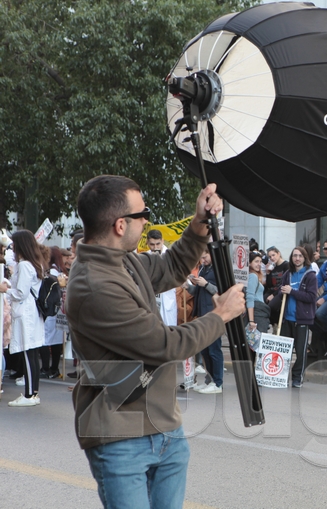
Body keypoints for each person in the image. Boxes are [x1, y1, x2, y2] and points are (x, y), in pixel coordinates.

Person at [65, 175, 244, 509]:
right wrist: (220, 316)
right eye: (142, 213)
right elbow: (165, 345)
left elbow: (171, 266)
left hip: (164, 427)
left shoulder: (123, 260)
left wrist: (199, 223)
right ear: (120, 225)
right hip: (120, 437)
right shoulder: (94, 284)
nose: (147, 220)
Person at [0, 230, 46, 407]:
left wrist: (5, 290)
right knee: (32, 354)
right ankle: (33, 393)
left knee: (27, 353)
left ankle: (29, 395)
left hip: (25, 313)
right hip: (31, 313)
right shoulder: (35, 263)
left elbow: (21, 292)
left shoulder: (25, 265)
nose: (12, 247)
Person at [276, 247, 317, 388]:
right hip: (286, 318)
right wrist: (281, 292)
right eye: (295, 256)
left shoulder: (310, 276)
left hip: (302, 319)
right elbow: (282, 292)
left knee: (300, 352)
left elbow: (311, 297)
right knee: (284, 351)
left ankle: (297, 378)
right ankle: (280, 377)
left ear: (305, 258)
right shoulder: (287, 274)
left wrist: (292, 291)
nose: (297, 258)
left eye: (300, 256)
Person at [187, 250, 224, 394]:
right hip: (202, 313)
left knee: (214, 349)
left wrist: (206, 283)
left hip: (213, 313)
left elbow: (221, 291)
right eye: (201, 257)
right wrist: (189, 286)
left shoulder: (219, 270)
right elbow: (198, 292)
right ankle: (210, 380)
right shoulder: (203, 268)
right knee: (205, 350)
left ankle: (218, 382)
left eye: (205, 256)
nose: (203, 260)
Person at [41, 246, 67, 379]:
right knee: (57, 338)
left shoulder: (50, 272)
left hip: (51, 309)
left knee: (45, 338)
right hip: (60, 308)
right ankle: (54, 368)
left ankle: (45, 368)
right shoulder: (61, 271)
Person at [147, 230, 178, 328]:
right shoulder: (146, 256)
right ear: (147, 243)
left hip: (166, 298)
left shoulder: (170, 256)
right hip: (152, 297)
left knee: (169, 327)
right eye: (152, 244)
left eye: (158, 244)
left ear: (162, 241)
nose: (155, 247)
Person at [263, 246, 289, 324]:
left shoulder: (286, 265)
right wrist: (268, 273)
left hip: (280, 291)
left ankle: (277, 323)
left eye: (273, 255)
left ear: (278, 254)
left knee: (271, 306)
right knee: (261, 304)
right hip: (272, 290)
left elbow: (286, 283)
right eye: (270, 257)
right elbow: (269, 285)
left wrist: (273, 295)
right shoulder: (273, 267)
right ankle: (273, 323)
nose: (272, 258)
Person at [246, 251, 271, 333]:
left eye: (260, 262)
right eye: (256, 261)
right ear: (249, 263)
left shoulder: (253, 275)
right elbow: (250, 298)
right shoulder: (253, 276)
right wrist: (251, 321)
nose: (259, 264)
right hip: (257, 313)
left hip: (257, 312)